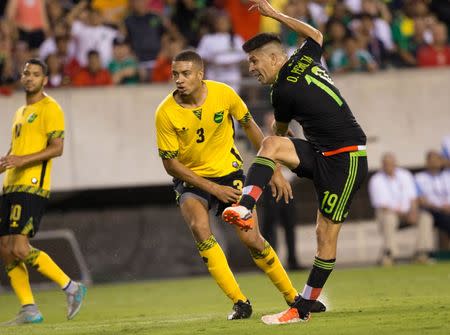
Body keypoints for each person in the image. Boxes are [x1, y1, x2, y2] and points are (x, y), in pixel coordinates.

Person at [222, 0, 368, 325]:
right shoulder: (301, 62)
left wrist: (274, 14)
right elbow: (316, 34)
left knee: (325, 235)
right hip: (320, 153)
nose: (251, 68)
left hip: (346, 159)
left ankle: (302, 308)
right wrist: (271, 162)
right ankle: (246, 207)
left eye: (254, 61)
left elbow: (281, 130)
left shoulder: (282, 90)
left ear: (275, 58)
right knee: (272, 144)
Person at [155, 50, 325, 320]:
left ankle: (293, 296)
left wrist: (275, 170)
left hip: (229, 175)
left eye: (186, 73)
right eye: (175, 74)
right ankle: (239, 302)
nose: (179, 79)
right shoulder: (165, 113)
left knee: (251, 239)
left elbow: (250, 126)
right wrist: (213, 190)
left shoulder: (224, 94)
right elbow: (171, 165)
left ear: (201, 75)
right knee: (199, 228)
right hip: (191, 179)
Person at [0, 59, 86, 325]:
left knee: (20, 247)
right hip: (11, 184)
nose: (29, 78)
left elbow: (56, 147)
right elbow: (18, 150)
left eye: (36, 74)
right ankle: (29, 308)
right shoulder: (21, 111)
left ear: (45, 79)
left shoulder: (51, 108)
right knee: (4, 248)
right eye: (26, 73)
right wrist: (6, 162)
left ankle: (71, 286)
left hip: (32, 185)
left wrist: (22, 161)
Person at [368, 153, 434, 265]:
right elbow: (383, 206)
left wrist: (413, 211)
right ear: (382, 165)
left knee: (426, 217)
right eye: (387, 164)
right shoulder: (376, 180)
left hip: (408, 213)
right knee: (389, 218)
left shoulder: (405, 175)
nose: (390, 166)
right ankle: (391, 255)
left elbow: (413, 198)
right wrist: (403, 214)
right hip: (388, 215)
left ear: (396, 164)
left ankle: (421, 253)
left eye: (392, 164)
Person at [415, 150, 450, 251]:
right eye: (432, 159)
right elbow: (422, 201)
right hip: (432, 210)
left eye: (438, 159)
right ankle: (424, 253)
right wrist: (441, 208)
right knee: (427, 218)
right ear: (427, 162)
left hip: (447, 211)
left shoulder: (447, 176)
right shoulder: (420, 178)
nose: (435, 162)